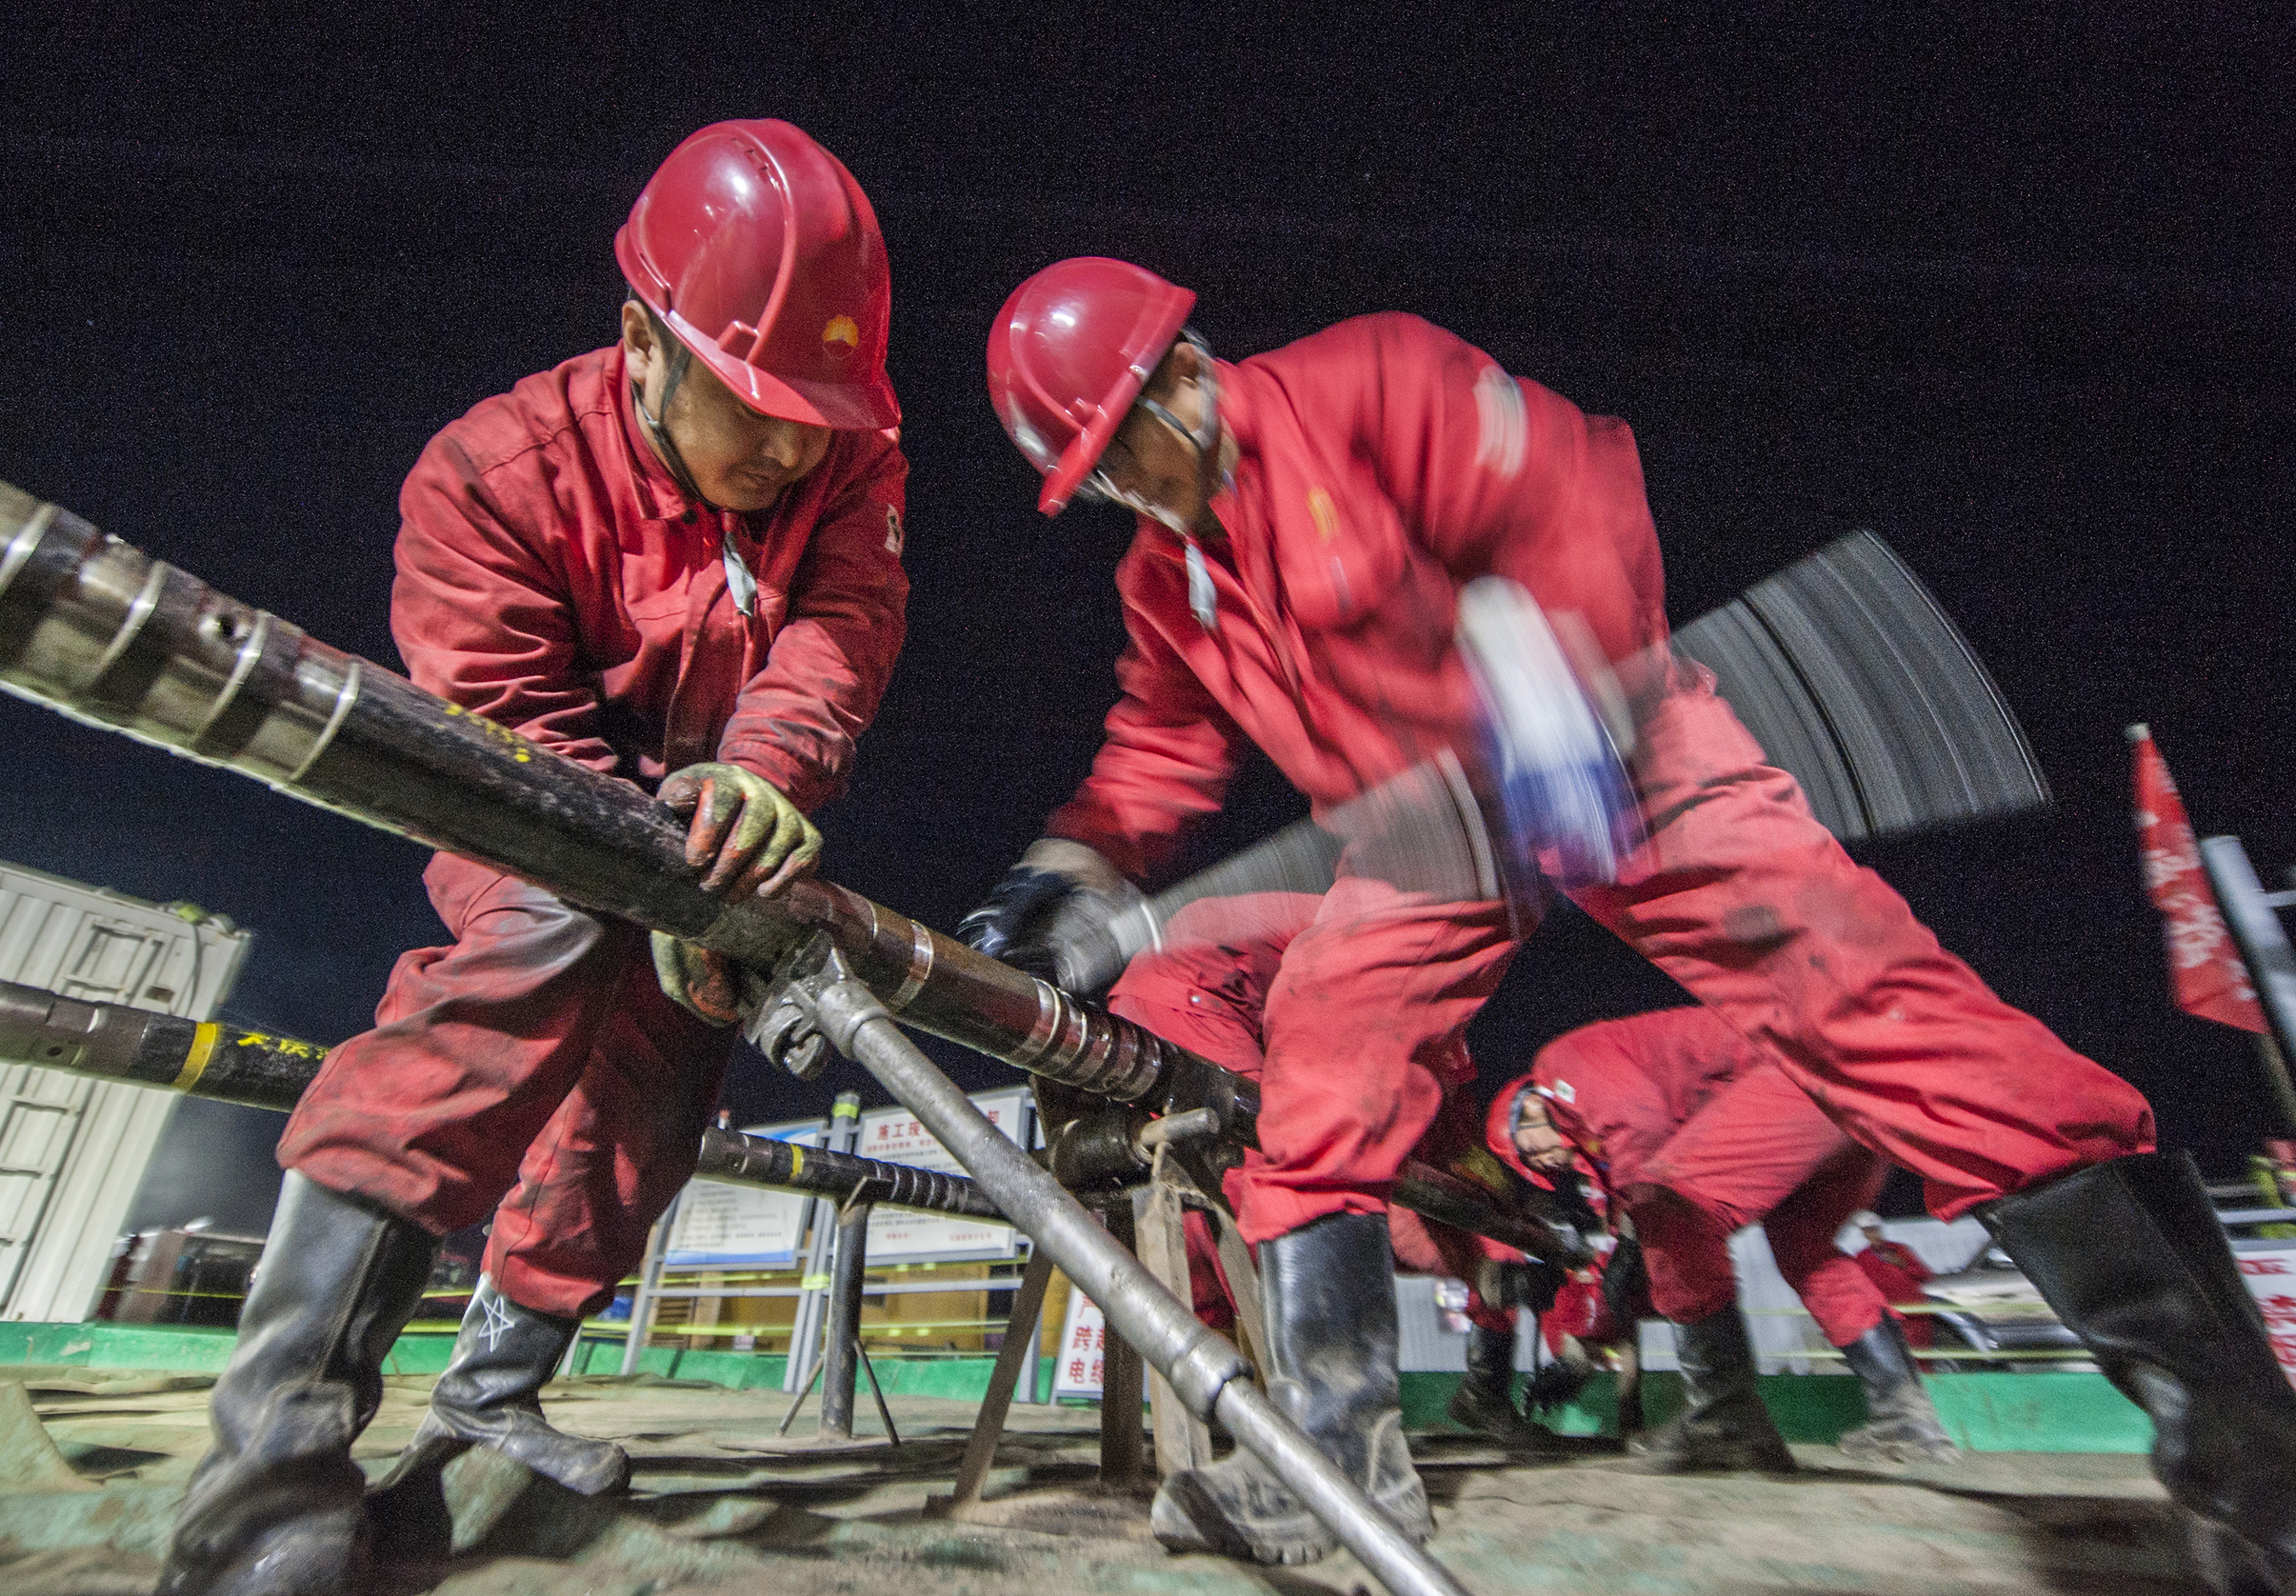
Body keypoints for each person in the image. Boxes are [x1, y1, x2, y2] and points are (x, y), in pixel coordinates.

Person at [968, 256, 2294, 1589]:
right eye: (1091, 477)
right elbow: (1163, 743)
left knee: (1874, 1008)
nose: (1120, 488)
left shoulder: (1370, 382)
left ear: (1182, 374)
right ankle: (1335, 1459)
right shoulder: (1168, 581)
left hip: (1625, 754)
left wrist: (1563, 674)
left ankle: (2247, 1458)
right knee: (1319, 1063)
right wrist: (1065, 872)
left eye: (1120, 451)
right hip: (1426, 841)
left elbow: (1571, 486)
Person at [158, 120, 908, 1596]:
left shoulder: (850, 457)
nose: (787, 449)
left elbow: (843, 628)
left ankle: (491, 1391)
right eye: (755, 407)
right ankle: (270, 1471)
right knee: (540, 945)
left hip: (716, 824)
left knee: (665, 1074)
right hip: (531, 794)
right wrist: (647, 858)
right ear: (642, 341)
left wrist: (759, 782)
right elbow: (510, 738)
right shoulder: (490, 478)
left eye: (815, 417)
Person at [1488, 1008, 1961, 1467]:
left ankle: (1726, 1419)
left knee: (1667, 1210)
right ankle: (1906, 1417)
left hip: (1796, 1077)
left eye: (1527, 1153)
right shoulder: (1593, 1127)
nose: (1543, 1165)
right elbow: (1619, 1245)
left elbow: (1641, 1139)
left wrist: (1638, 1231)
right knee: (1806, 1252)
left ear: (1527, 1108)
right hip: (1852, 1094)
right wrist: (1582, 1347)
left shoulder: (1560, 1066)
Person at [1848, 1212, 1937, 1351]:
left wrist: (1903, 1264)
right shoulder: (1861, 1258)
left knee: (1921, 1355)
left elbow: (1925, 1274)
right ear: (1864, 1234)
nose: (1874, 1234)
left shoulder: (1899, 1249)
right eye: (1869, 1231)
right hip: (1888, 1318)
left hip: (1914, 1314)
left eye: (1875, 1230)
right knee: (1897, 1355)